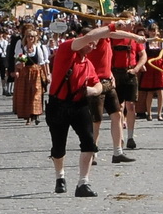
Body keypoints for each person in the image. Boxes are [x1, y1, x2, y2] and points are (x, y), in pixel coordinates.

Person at [46, 24, 112, 196]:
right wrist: (111, 26)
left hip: (79, 105)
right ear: (83, 39)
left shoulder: (88, 64)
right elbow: (88, 38)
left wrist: (94, 90)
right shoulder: (66, 49)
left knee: (89, 142)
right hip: (58, 105)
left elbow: (97, 83)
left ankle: (83, 183)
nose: (93, 46)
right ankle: (60, 176)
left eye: (96, 44)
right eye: (91, 42)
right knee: (58, 147)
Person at [108, 19, 146, 161]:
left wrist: (136, 69)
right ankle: (120, 138)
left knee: (131, 106)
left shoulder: (135, 39)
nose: (130, 25)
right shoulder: (113, 38)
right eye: (127, 23)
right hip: (115, 73)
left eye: (131, 23)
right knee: (118, 107)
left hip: (130, 73)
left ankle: (130, 136)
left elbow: (143, 56)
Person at [11, 24, 47, 125]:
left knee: (36, 93)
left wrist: (46, 74)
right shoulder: (22, 49)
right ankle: (28, 116)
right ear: (25, 38)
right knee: (26, 94)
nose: (30, 38)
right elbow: (17, 62)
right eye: (28, 36)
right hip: (25, 74)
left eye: (32, 37)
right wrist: (18, 68)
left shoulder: (37, 48)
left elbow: (41, 62)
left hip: (36, 73)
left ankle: (35, 113)